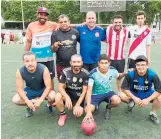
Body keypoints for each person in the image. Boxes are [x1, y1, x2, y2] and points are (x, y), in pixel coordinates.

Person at [12, 52, 56, 117]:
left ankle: (48, 105)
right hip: (30, 89)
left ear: (36, 61)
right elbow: (19, 88)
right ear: (23, 62)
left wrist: (41, 99)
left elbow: (48, 86)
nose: (30, 63)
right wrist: (27, 101)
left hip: (43, 89)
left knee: (53, 96)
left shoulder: (43, 68)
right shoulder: (20, 71)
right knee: (15, 100)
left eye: (32, 60)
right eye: (27, 61)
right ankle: (30, 106)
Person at [83, 54, 126, 122]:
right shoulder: (93, 73)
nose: (104, 65)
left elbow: (118, 76)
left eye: (106, 63)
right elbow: (89, 91)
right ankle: (95, 106)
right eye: (102, 63)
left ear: (109, 63)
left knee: (117, 101)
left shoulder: (112, 70)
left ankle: (108, 107)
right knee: (87, 110)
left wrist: (124, 74)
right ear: (98, 63)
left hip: (108, 92)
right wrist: (88, 111)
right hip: (95, 94)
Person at [121, 55, 161, 124]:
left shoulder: (152, 75)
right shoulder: (130, 74)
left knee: (160, 97)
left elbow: (159, 90)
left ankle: (153, 113)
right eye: (138, 65)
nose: (141, 67)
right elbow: (124, 87)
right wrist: (134, 98)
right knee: (121, 95)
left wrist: (148, 99)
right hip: (134, 93)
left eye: (143, 65)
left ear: (147, 65)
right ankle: (131, 103)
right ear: (135, 65)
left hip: (147, 93)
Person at [25, 7, 58, 85]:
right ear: (37, 15)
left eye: (45, 15)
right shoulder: (31, 26)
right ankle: (38, 93)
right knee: (37, 77)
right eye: (41, 14)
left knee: (50, 77)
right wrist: (26, 54)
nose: (43, 17)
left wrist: (82, 24)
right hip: (36, 58)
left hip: (48, 57)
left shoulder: (52, 25)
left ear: (47, 16)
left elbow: (64, 25)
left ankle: (51, 91)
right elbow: (29, 41)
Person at [54, 54, 89, 126]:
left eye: (78, 62)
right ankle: (63, 114)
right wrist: (67, 97)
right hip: (69, 95)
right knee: (57, 96)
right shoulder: (65, 71)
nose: (76, 64)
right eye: (74, 62)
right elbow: (60, 87)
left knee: (78, 114)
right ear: (70, 63)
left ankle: (75, 105)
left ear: (81, 63)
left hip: (79, 97)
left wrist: (77, 105)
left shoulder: (85, 73)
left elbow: (84, 91)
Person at [51, 14, 79, 79]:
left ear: (69, 22)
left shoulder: (75, 32)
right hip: (60, 65)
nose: (63, 23)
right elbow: (53, 50)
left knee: (74, 84)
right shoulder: (55, 34)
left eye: (65, 21)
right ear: (59, 23)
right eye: (61, 22)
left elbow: (82, 42)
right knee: (61, 83)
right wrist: (55, 46)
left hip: (73, 64)